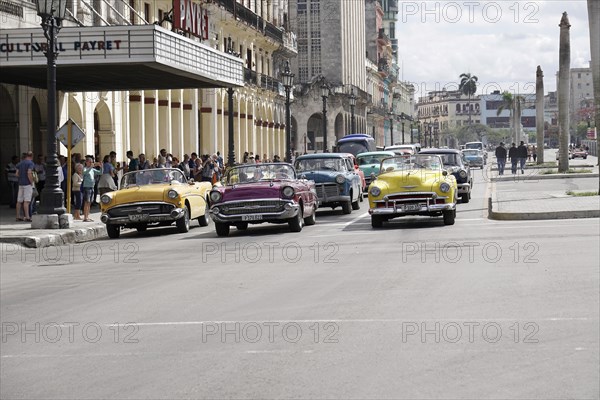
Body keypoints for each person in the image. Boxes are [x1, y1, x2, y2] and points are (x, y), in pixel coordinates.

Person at [15, 151, 35, 222]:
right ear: (31, 156)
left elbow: (16, 174)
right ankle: (27, 216)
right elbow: (29, 172)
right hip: (27, 184)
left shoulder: (20, 163)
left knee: (19, 201)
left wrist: (21, 177)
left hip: (20, 184)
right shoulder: (30, 163)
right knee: (26, 201)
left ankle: (17, 216)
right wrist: (31, 182)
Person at [82, 157, 102, 222]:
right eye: (90, 162)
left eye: (92, 162)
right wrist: (91, 167)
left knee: (89, 202)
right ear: (86, 162)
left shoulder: (93, 170)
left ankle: (87, 216)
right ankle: (85, 217)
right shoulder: (85, 168)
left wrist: (101, 166)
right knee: (86, 202)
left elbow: (100, 173)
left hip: (92, 187)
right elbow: (84, 173)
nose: (91, 163)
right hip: (87, 187)